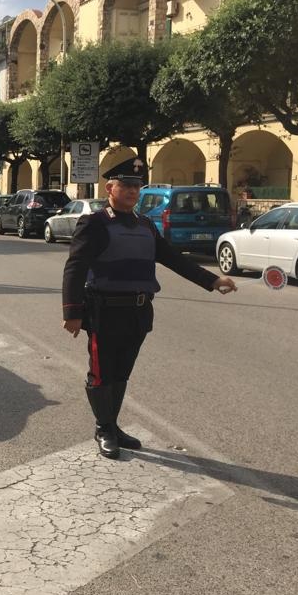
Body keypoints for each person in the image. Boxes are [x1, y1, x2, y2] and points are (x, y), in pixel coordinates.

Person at [61, 157, 237, 459]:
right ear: (110, 188)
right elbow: (75, 267)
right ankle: (103, 429)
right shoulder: (94, 223)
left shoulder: (145, 225)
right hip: (104, 312)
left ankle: (113, 426)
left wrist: (212, 280)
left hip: (138, 312)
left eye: (137, 186)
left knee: (121, 373)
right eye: (126, 185)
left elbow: (174, 259)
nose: (133, 191)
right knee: (102, 374)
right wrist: (72, 312)